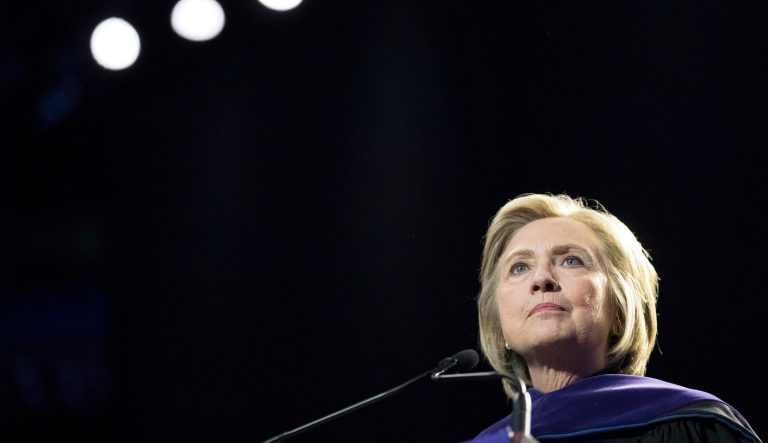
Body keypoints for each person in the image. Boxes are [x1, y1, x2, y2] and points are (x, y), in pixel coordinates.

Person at [467, 193, 761, 442]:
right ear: (499, 324)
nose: (541, 278)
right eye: (519, 267)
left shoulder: (690, 424)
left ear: (620, 309)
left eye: (571, 260)